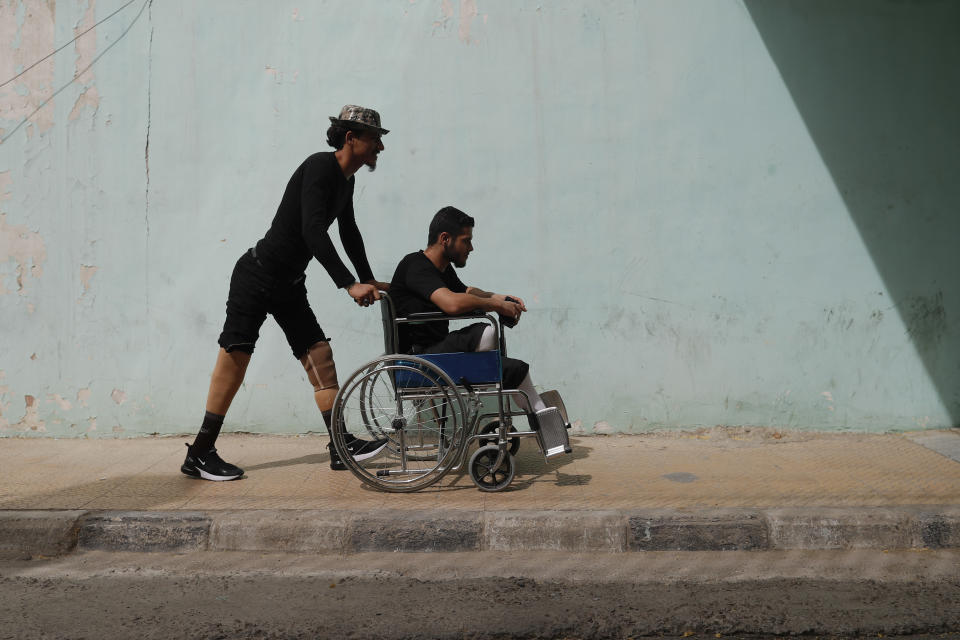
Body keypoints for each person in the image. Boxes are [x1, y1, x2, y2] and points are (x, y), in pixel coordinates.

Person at [181, 105, 392, 481]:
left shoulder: (347, 180)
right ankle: (199, 453)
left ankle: (340, 446)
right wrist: (347, 284)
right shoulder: (320, 167)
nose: (380, 147)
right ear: (351, 138)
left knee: (319, 357)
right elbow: (313, 230)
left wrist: (367, 279)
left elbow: (349, 232)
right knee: (236, 359)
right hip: (256, 276)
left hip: (289, 284)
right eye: (375, 140)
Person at [388, 206, 548, 417]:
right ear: (445, 238)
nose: (471, 247)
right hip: (419, 358)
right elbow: (452, 304)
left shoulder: (441, 269)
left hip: (435, 351)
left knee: (512, 367)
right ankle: (541, 414)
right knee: (487, 334)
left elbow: (467, 291)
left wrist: (502, 298)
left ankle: (542, 415)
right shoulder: (416, 266)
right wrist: (496, 306)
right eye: (466, 240)